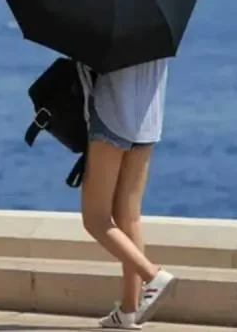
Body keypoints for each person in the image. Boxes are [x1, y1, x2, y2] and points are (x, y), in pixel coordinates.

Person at [81, 59, 176, 329]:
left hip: (112, 116)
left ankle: (153, 276)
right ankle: (128, 311)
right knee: (128, 216)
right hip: (148, 122)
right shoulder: (158, 25)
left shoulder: (110, 21)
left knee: (95, 219)